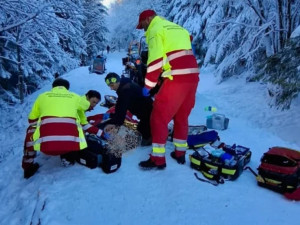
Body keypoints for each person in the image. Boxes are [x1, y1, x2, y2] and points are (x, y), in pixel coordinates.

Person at [136, 9, 200, 169]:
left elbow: (156, 60)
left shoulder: (155, 30)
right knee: (181, 116)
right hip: (192, 77)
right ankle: (180, 154)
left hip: (176, 78)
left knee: (158, 117)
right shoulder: (177, 28)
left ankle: (157, 159)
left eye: (142, 24)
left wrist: (148, 85)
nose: (143, 28)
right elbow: (186, 43)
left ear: (149, 19)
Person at [22, 78, 101, 178]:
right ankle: (69, 158)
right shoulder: (75, 97)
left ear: (53, 87)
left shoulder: (42, 97)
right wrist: (102, 133)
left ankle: (27, 167)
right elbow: (85, 113)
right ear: (67, 89)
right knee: (77, 127)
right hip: (70, 147)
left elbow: (31, 120)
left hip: (46, 148)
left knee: (31, 129)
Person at [104, 72, 153, 146]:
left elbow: (120, 117)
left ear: (118, 81)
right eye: (109, 86)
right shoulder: (126, 85)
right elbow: (120, 108)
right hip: (146, 114)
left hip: (149, 116)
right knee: (139, 130)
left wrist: (108, 123)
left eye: (112, 85)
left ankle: (153, 138)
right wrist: (111, 115)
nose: (111, 88)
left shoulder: (125, 91)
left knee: (141, 139)